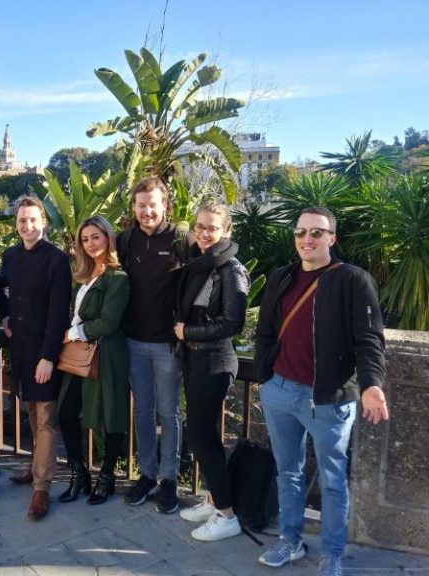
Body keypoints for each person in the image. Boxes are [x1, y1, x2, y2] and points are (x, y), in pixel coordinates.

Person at [254, 207, 389, 576]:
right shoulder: (281, 277)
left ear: (332, 238)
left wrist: (372, 384)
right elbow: (265, 331)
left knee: (332, 481)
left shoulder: (352, 280)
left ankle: (332, 552)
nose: (307, 239)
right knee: (288, 473)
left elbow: (369, 339)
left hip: (328, 399)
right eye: (300, 232)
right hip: (279, 391)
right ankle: (290, 540)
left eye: (316, 233)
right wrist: (267, 373)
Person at [174, 202, 249, 542]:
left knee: (200, 438)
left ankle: (228, 515)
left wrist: (187, 333)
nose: (204, 233)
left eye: (212, 228)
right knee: (204, 437)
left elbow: (233, 323)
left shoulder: (230, 269)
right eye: (200, 226)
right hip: (195, 359)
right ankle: (214, 499)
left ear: (226, 231)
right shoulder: (199, 263)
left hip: (214, 360)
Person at [117, 176, 192, 513]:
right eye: (141, 204)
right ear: (133, 207)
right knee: (142, 411)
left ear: (165, 205)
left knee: (169, 412)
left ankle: (169, 480)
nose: (147, 211)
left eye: (153, 204)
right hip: (133, 341)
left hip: (167, 345)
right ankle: (146, 474)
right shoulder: (125, 240)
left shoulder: (180, 240)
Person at [0, 196, 71, 520]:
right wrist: (6, 318)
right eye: (22, 221)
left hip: (43, 350)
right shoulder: (10, 256)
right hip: (20, 349)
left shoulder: (57, 260)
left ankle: (41, 487)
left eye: (33, 220)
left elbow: (58, 313)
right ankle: (34, 468)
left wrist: (47, 357)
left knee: (46, 419)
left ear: (44, 222)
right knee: (29, 411)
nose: (27, 226)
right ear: (17, 224)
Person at [58, 216, 130, 506]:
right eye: (85, 239)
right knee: (66, 412)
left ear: (108, 237)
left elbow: (108, 322)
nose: (90, 244)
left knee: (111, 415)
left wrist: (72, 332)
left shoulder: (118, 278)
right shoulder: (82, 277)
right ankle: (79, 473)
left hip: (106, 353)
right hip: (78, 355)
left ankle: (107, 476)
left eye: (95, 237)